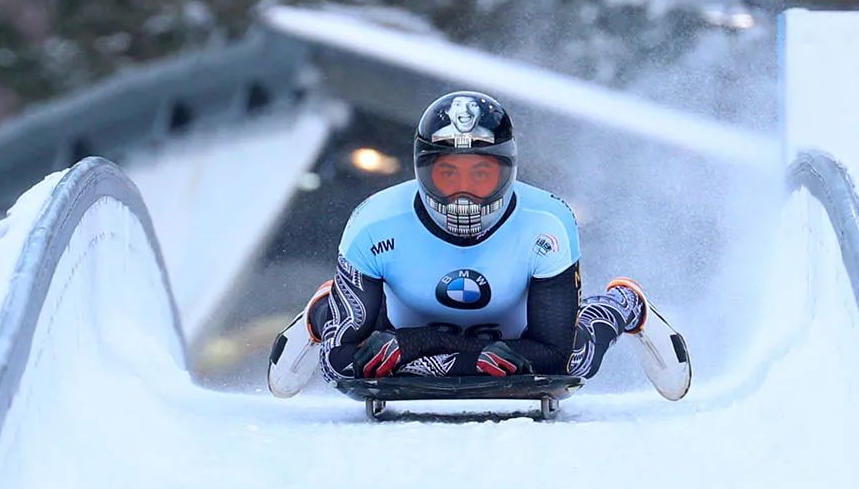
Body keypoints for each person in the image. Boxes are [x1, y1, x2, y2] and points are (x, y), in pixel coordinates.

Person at [268, 91, 648, 397]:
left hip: (509, 336)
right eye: (448, 174)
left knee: (578, 361)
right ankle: (325, 308)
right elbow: (339, 364)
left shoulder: (548, 222)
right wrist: (462, 356)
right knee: (361, 358)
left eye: (480, 174)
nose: (462, 195)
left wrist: (419, 345)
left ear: (507, 172)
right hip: (400, 330)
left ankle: (621, 306)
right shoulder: (373, 222)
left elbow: (556, 355)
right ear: (422, 171)